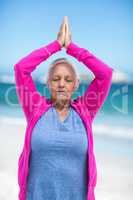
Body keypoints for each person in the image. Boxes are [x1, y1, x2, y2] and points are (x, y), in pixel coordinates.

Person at [14, 16, 113, 200]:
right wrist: (56, 45)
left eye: (68, 80)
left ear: (75, 85)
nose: (61, 84)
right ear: (48, 83)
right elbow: (21, 69)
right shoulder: (35, 107)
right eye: (55, 79)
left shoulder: (86, 110)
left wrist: (71, 48)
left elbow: (105, 74)